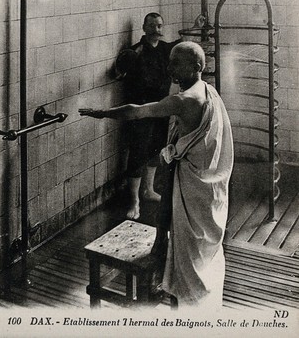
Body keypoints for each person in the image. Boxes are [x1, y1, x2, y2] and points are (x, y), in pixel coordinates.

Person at [79, 41, 234, 308]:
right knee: (190, 240)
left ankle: (188, 298)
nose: (169, 67)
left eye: (176, 63)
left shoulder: (185, 99)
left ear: (197, 67)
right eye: (170, 61)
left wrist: (102, 113)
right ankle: (181, 285)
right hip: (202, 181)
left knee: (190, 245)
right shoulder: (208, 90)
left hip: (195, 180)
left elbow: (138, 112)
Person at [114, 12, 179, 220]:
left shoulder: (167, 49)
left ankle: (148, 190)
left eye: (159, 25)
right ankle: (134, 201)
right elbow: (117, 72)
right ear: (143, 28)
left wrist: (196, 26)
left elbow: (184, 44)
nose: (156, 29)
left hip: (160, 108)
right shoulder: (135, 51)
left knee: (156, 148)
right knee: (137, 152)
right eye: (151, 25)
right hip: (141, 111)